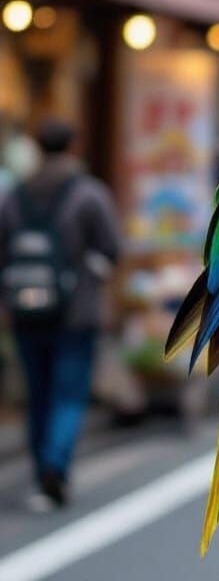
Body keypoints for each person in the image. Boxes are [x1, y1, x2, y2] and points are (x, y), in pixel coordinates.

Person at [0, 118, 122, 510]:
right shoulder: (87, 193)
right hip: (76, 311)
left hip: (23, 310)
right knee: (67, 393)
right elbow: (111, 248)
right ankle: (54, 469)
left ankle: (41, 470)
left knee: (37, 393)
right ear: (73, 147)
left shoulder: (14, 195)